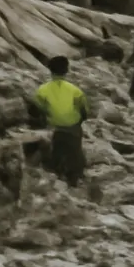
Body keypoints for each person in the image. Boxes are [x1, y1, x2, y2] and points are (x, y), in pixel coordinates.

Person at [33, 56, 90, 188]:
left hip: (55, 127)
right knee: (75, 149)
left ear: (50, 70)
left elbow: (37, 109)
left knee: (57, 149)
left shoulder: (42, 90)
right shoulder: (76, 90)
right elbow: (85, 111)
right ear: (67, 70)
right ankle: (75, 175)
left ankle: (56, 170)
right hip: (73, 128)